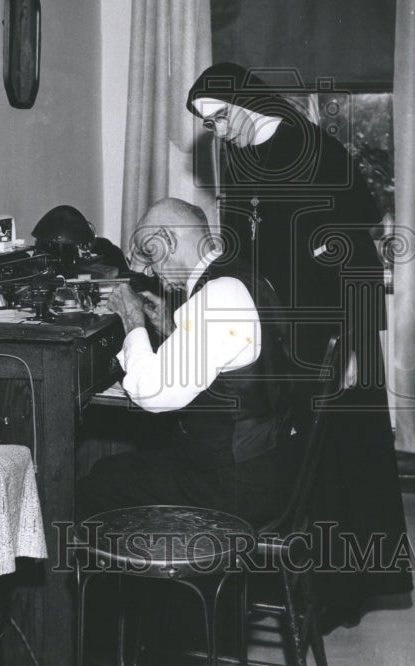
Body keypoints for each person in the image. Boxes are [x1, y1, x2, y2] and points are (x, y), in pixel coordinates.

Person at [186, 62, 412, 629]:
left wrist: (356, 341)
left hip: (335, 324)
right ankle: (282, 584)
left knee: (341, 453)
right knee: (286, 452)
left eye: (219, 117)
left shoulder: (317, 149)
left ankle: (341, 596)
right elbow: (241, 244)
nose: (218, 131)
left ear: (242, 100)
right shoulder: (237, 159)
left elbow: (359, 238)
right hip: (280, 326)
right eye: (208, 125)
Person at [76, 197, 297, 529]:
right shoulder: (241, 276)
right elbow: (228, 357)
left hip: (234, 487)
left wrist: (133, 321)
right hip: (265, 465)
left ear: (169, 240)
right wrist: (169, 329)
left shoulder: (217, 296)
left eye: (149, 256)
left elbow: (153, 395)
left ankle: (135, 580)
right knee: (107, 470)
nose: (147, 270)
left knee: (93, 488)